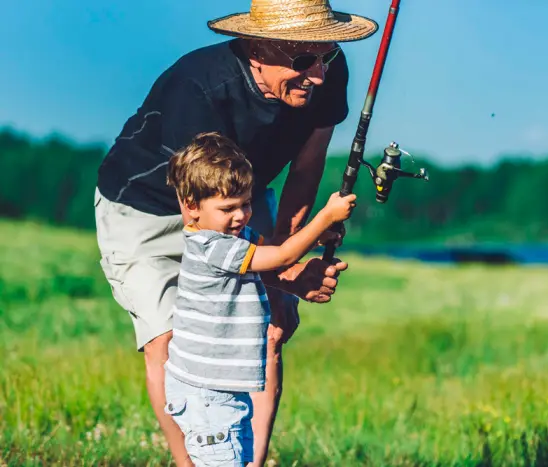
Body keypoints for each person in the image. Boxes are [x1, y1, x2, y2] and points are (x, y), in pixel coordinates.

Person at [93, 0, 378, 465]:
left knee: (271, 327)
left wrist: (286, 264)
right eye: (303, 61)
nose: (320, 75)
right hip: (150, 209)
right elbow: (211, 238)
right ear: (256, 49)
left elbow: (306, 169)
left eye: (326, 57)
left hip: (238, 200)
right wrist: (282, 272)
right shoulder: (199, 88)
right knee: (169, 341)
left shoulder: (328, 73)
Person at [161, 132, 356, 466]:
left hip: (220, 390)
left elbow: (272, 256)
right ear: (191, 206)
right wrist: (325, 217)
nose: (240, 216)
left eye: (246, 204)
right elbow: (280, 256)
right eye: (228, 208)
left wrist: (318, 238)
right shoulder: (213, 247)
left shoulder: (235, 236)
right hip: (208, 396)